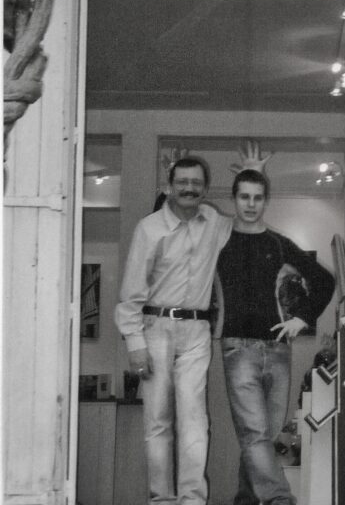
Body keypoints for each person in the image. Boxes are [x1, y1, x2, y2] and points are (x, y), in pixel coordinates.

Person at [114, 156, 233, 505]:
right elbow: (131, 294)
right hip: (155, 330)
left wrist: (254, 176)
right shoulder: (149, 228)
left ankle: (193, 499)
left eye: (196, 183)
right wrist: (135, 343)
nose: (189, 188)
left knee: (195, 420)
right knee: (157, 421)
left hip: (196, 330)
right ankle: (161, 499)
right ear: (169, 186)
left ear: (206, 189)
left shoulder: (213, 221)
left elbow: (246, 221)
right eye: (182, 182)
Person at [217, 168, 335, 505]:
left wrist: (302, 318)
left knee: (262, 437)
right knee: (255, 433)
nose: (251, 204)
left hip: (279, 350)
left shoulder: (278, 243)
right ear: (234, 199)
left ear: (265, 201)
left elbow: (324, 280)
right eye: (244, 197)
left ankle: (246, 499)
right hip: (237, 348)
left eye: (257, 198)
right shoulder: (220, 239)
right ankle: (280, 500)